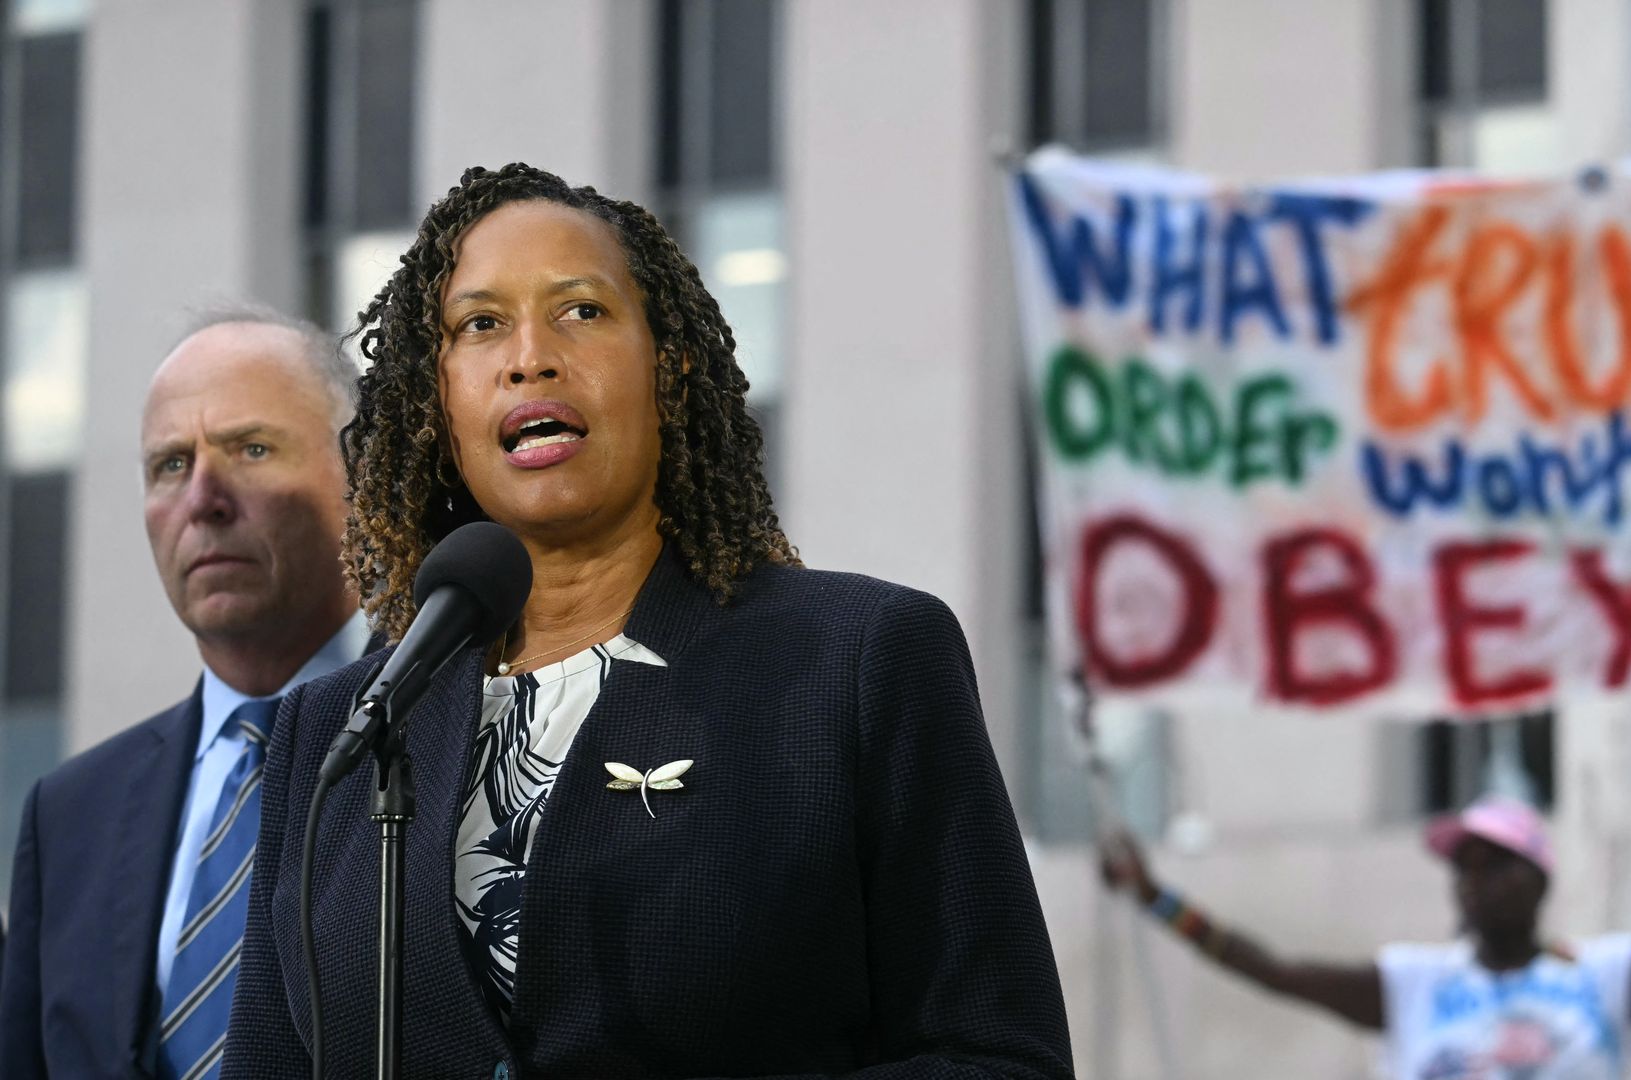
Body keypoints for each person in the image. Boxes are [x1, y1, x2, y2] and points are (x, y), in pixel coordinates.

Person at [225, 164, 1073, 1080]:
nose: (530, 357)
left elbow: (998, 1056)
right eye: (479, 325)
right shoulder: (340, 731)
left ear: (668, 361)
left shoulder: (857, 662)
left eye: (581, 311)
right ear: (438, 400)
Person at [0, 307, 371, 1079]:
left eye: (253, 449)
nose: (203, 497)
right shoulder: (69, 817)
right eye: (170, 464)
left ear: (359, 479)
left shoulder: (464, 738)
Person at [1102, 787, 1631, 1079]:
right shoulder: (1416, 985)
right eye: (1466, 866)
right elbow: (1274, 970)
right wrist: (1154, 897)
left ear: (1542, 880)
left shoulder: (1604, 977)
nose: (1475, 881)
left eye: (1497, 864)